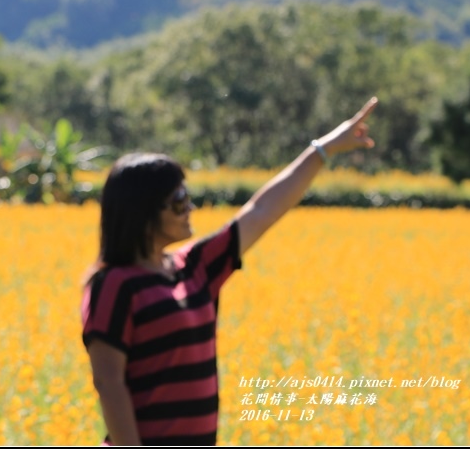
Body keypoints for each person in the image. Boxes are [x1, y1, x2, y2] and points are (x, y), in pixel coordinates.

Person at [81, 97, 379, 446]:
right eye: (178, 199)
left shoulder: (195, 268)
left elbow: (262, 209)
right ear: (144, 213)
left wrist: (325, 149)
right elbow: (109, 383)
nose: (189, 207)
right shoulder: (114, 285)